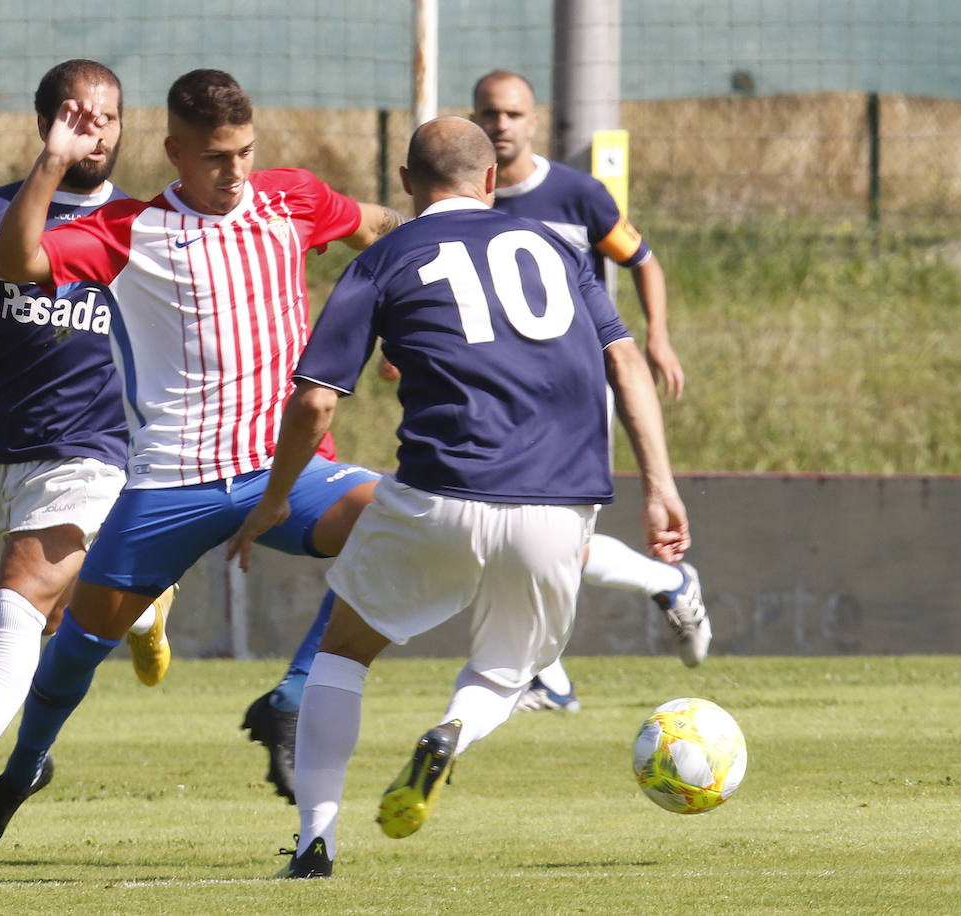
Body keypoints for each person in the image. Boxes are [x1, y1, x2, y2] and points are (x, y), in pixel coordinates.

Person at [0, 68, 405, 861]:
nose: (235, 173)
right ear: (175, 152)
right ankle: (21, 772)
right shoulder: (128, 229)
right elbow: (18, 261)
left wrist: (410, 309)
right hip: (168, 482)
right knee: (79, 649)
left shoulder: (290, 198)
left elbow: (380, 225)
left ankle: (288, 701)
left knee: (400, 521)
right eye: (216, 158)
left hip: (283, 474)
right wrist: (52, 163)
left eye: (245, 153)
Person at [228, 116, 691, 878]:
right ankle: (449, 732)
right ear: (489, 182)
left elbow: (314, 402)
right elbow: (627, 364)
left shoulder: (386, 255)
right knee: (505, 674)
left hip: (439, 495)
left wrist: (276, 497)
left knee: (343, 652)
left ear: (407, 186)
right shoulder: (556, 249)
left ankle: (316, 841)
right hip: (559, 506)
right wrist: (661, 486)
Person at [0, 59, 176, 831]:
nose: (96, 131)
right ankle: (143, 605)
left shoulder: (143, 226)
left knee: (15, 605)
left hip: (97, 447)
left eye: (108, 118)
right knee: (45, 623)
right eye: (78, 118)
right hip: (4, 449)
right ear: (45, 122)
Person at [472, 68, 709, 712]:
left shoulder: (577, 196)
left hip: (576, 392)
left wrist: (656, 336)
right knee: (502, 530)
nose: (501, 126)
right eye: (490, 114)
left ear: (533, 120)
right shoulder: (468, 203)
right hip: (500, 394)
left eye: (514, 114)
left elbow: (642, 259)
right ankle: (656, 591)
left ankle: (550, 672)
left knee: (557, 542)